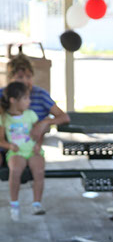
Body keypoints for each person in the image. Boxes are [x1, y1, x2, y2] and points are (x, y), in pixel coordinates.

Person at [0, 81, 46, 220]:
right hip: (16, 152)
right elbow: (1, 140)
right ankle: (14, 204)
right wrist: (10, 146)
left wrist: (39, 143)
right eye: (26, 98)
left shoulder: (30, 114)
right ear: (14, 100)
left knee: (39, 171)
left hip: (33, 151)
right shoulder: (4, 118)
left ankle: (36, 203)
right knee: (15, 171)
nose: (29, 101)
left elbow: (39, 132)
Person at [1, 54, 70, 143]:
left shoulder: (40, 95)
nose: (25, 81)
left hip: (33, 145)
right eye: (20, 77)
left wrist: (44, 123)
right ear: (10, 78)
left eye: (28, 76)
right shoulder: (3, 93)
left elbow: (64, 117)